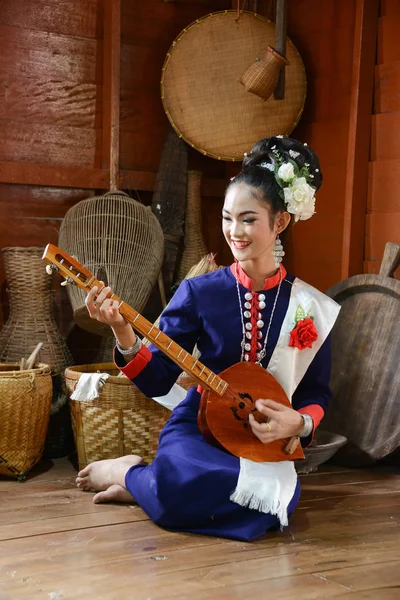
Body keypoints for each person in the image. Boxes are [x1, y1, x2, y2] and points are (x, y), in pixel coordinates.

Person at [76, 136, 340, 542]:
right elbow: (159, 378)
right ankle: (127, 471)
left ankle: (145, 487)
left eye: (249, 219)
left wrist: (299, 423)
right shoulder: (200, 292)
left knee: (272, 504)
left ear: (281, 222)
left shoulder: (309, 306)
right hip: (200, 424)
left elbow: (317, 394)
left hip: (261, 439)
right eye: (227, 217)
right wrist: (122, 329)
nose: (235, 231)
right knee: (186, 481)